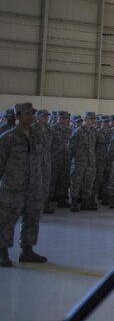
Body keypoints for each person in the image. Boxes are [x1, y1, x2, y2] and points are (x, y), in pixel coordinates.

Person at [0, 103, 48, 267]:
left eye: (32, 113)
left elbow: (41, 160)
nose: (30, 116)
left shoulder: (37, 136)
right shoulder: (8, 137)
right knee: (7, 219)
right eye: (27, 114)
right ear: (18, 116)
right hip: (13, 187)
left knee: (32, 217)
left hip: (34, 185)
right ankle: (2, 252)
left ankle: (27, 250)